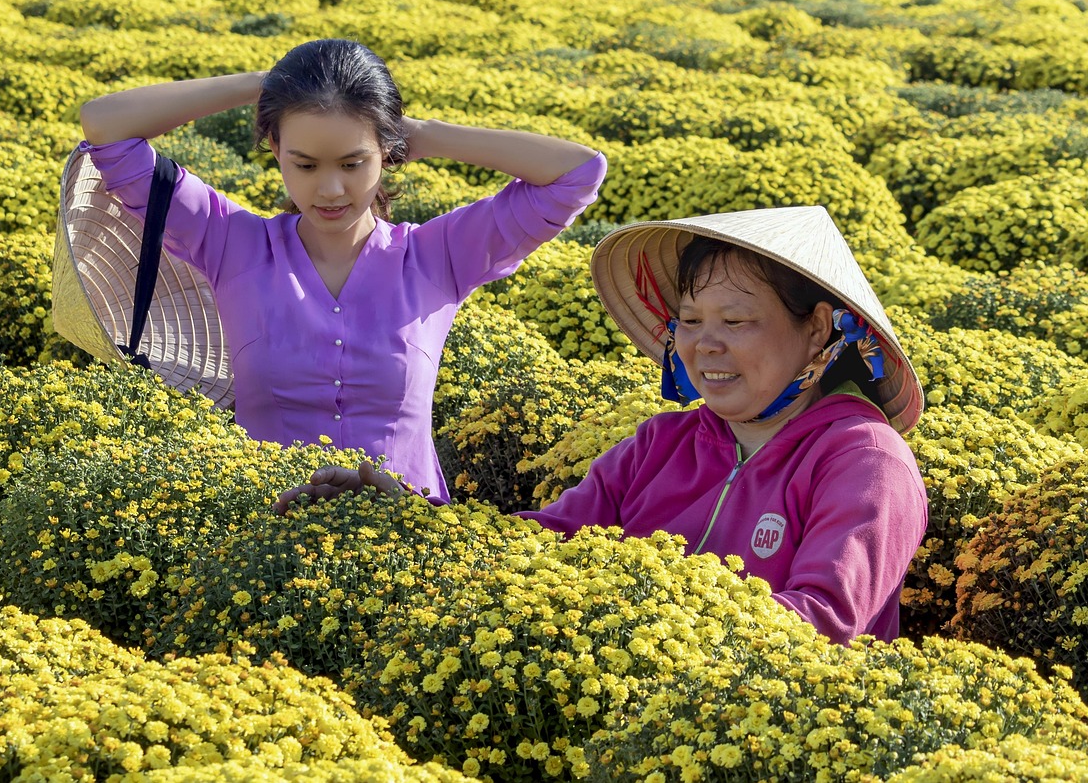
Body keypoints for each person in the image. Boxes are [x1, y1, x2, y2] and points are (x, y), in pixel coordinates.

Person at [277, 205, 928, 645]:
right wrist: (415, 520)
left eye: (735, 322)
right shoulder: (659, 444)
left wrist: (635, 626)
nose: (704, 344)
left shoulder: (864, 462)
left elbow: (821, 624)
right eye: (691, 320)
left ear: (817, 329)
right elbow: (543, 545)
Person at [78, 39, 606, 502]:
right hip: (263, 551)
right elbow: (106, 127)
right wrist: (270, 84)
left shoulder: (439, 255)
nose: (330, 190)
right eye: (304, 165)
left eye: (353, 163)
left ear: (387, 153)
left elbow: (577, 173)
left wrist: (423, 133)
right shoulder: (230, 244)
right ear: (275, 151)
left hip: (411, 549)